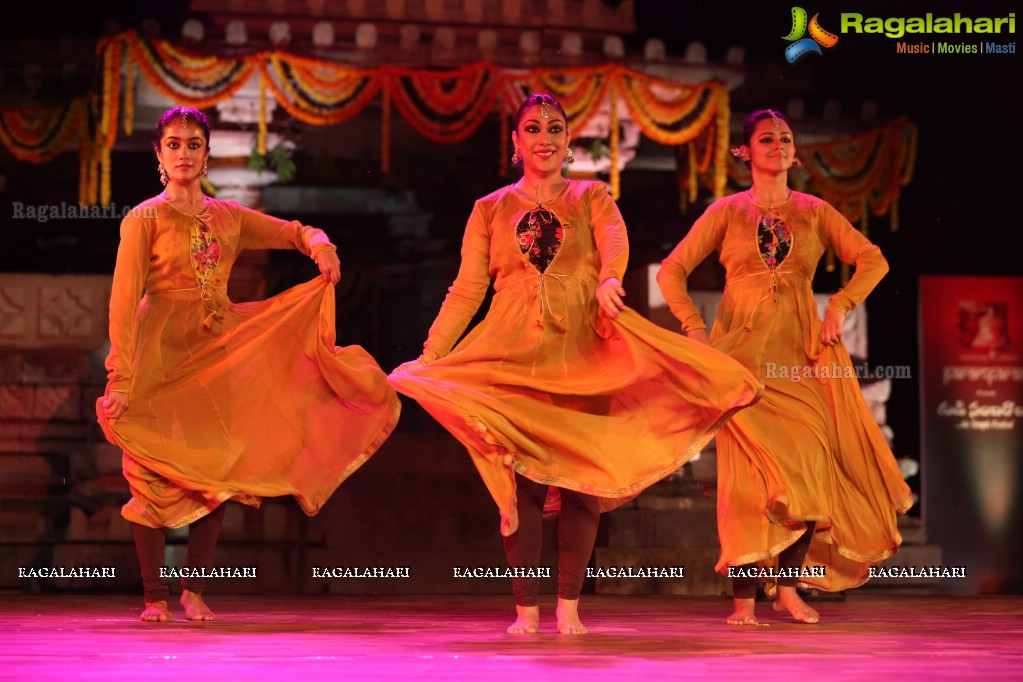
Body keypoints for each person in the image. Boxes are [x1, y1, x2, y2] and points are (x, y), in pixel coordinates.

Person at [389, 93, 760, 634]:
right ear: (516, 142)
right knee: (523, 486)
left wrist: (610, 278)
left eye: (555, 128)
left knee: (584, 480)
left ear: (567, 141)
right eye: (533, 128)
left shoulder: (591, 197)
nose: (545, 137)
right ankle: (525, 611)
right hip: (512, 353)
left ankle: (568, 607)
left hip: (586, 349)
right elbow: (468, 289)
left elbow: (615, 242)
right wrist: (433, 352)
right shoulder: (489, 209)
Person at [97, 106, 400, 622]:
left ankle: (194, 590)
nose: (184, 153)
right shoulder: (143, 218)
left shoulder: (228, 217)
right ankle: (154, 597)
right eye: (174, 144)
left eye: (194, 144)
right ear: (159, 154)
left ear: (207, 154)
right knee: (148, 470)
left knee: (217, 470)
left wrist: (320, 243)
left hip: (218, 352)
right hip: (158, 354)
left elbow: (292, 232)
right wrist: (120, 376)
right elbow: (123, 302)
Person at [657, 109, 914, 626]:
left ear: (795, 153)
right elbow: (672, 271)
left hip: (802, 362)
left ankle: (789, 589)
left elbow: (874, 259)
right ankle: (743, 600)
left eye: (785, 139)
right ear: (745, 152)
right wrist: (696, 331)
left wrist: (840, 306)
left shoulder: (816, 212)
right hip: (742, 363)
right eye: (766, 138)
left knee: (811, 470)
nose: (777, 145)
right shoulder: (726, 213)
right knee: (748, 484)